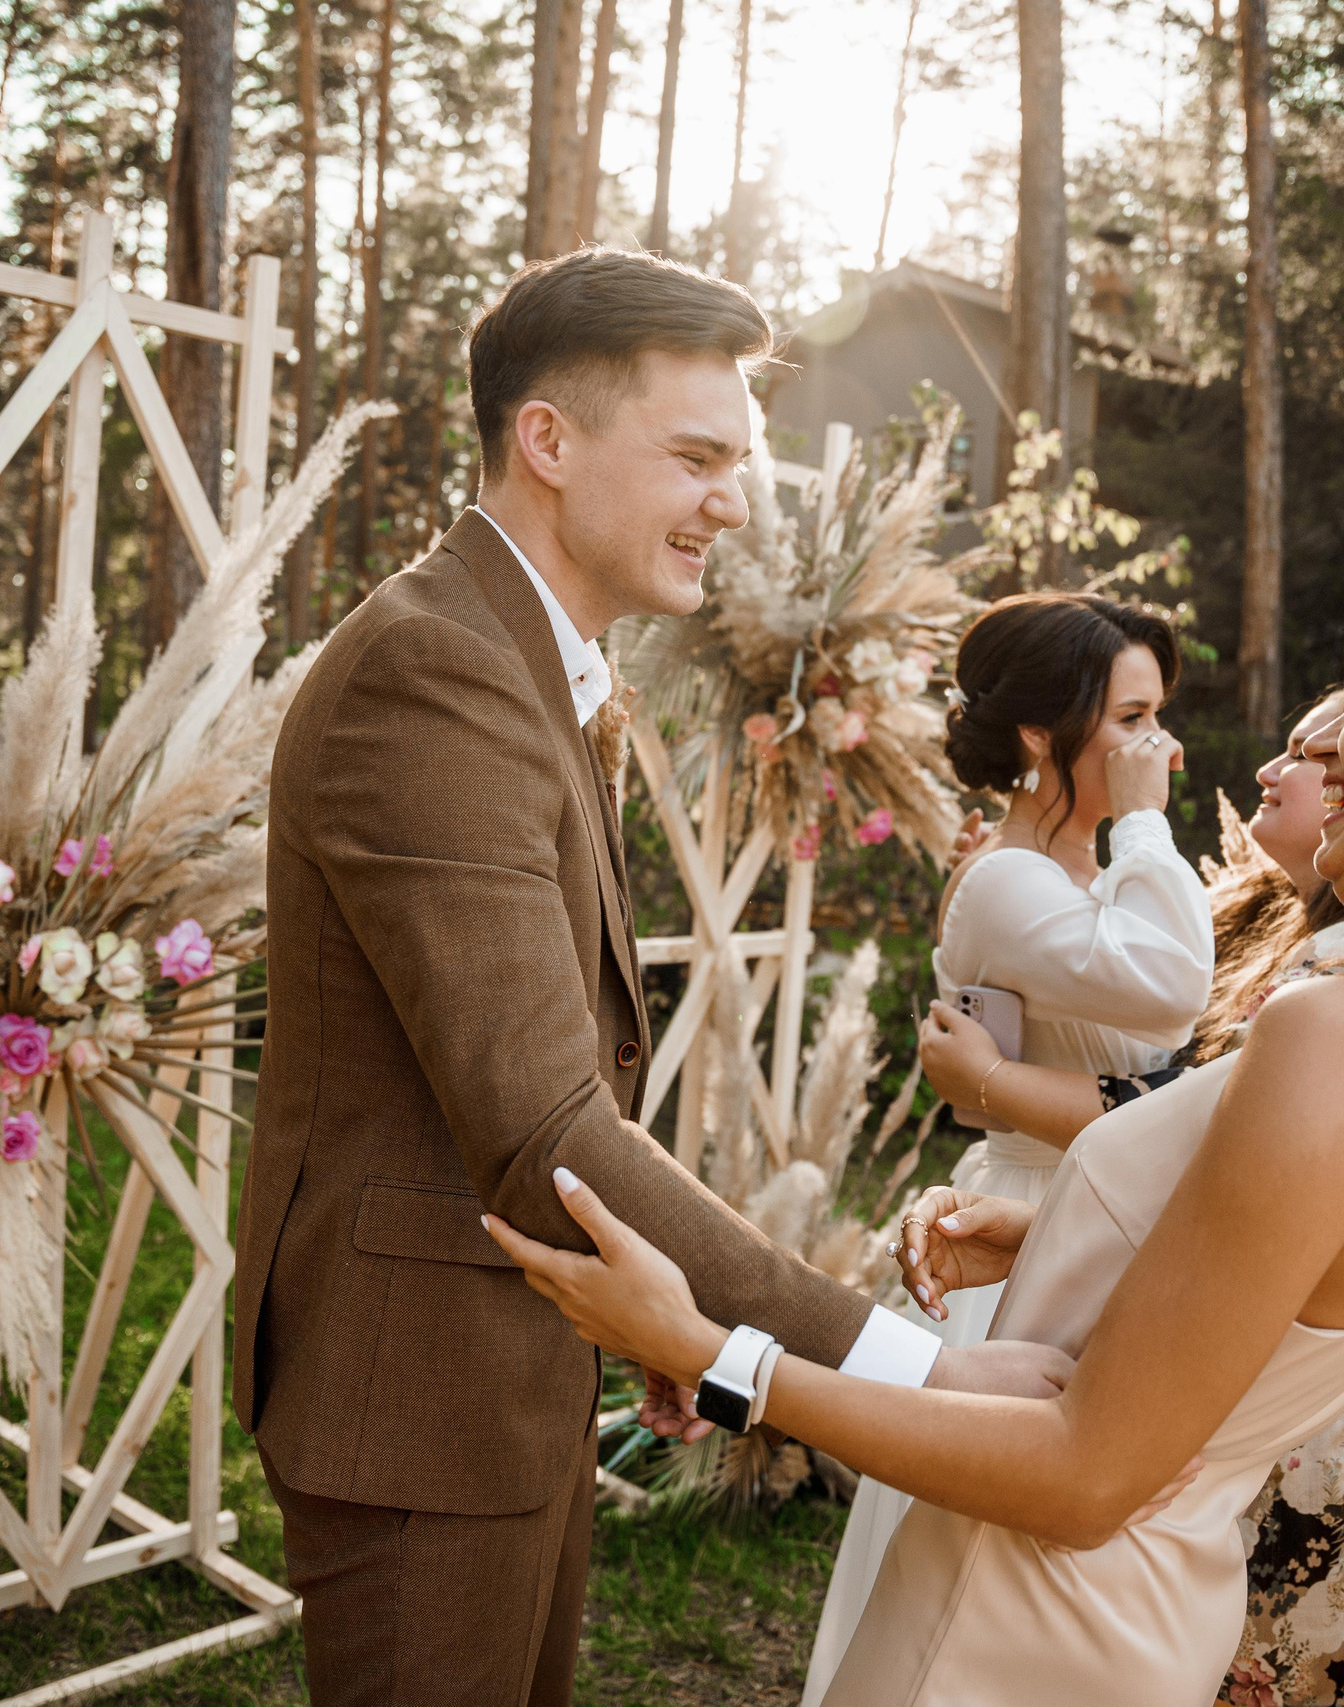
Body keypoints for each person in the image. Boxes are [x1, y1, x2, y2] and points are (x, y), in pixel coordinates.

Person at [487, 581, 1344, 1705]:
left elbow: (1080, 1474)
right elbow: (1289, 1291)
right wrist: (1056, 1229)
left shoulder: (1339, 1034)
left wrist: (711, 1352)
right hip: (1149, 1609)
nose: (1326, 741)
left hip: (1015, 1624)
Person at [231, 247, 1065, 1707]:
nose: (734, 501)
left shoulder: (522, 657)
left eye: (736, 461)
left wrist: (670, 1308)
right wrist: (902, 1366)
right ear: (545, 440)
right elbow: (546, 1119)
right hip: (414, 1391)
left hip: (508, 1355)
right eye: (696, 455)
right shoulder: (435, 670)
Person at [918, 681, 1344, 1705]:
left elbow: (1180, 1116)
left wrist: (990, 1085)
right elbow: (1200, 1147)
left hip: (1336, 1313)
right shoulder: (1304, 945)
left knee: (1341, 1597)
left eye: (1313, 748)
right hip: (1284, 1285)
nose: (1289, 765)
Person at [802, 591, 1216, 1707]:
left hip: (1103, 1217)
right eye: (1130, 720)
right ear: (1044, 733)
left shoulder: (1083, 874)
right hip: (1031, 1234)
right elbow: (1177, 990)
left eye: (1158, 717)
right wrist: (1144, 823)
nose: (1156, 748)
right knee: (981, 1579)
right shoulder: (1004, 881)